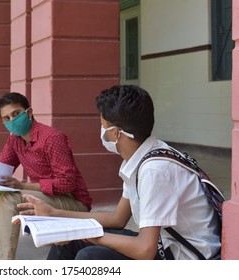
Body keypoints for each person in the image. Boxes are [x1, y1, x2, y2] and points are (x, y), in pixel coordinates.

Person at [17, 85, 221, 260]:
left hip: (185, 259)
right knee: (71, 243)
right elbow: (118, 218)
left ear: (115, 133)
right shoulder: (142, 156)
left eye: (102, 125)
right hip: (164, 245)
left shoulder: (154, 171)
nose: (101, 130)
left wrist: (82, 233)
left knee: (90, 258)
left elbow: (145, 249)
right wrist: (56, 216)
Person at [0, 92, 92, 260]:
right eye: (6, 118)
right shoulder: (15, 140)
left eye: (15, 114)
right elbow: (0, 172)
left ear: (29, 112)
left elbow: (67, 183)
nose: (12, 120)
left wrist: (23, 186)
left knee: (11, 198)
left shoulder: (52, 138)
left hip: (72, 201)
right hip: (44, 197)